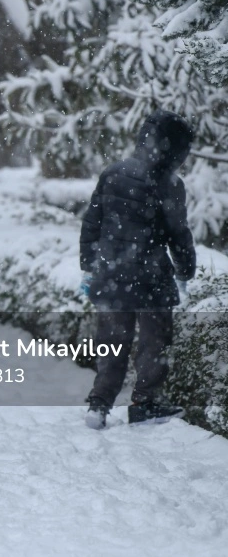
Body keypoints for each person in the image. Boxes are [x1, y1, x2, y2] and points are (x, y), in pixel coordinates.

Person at [80, 109, 197, 430]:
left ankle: (99, 405)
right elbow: (178, 233)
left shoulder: (113, 173)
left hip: (111, 275)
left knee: (112, 344)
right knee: (153, 345)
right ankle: (145, 403)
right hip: (151, 280)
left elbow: (92, 222)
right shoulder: (170, 184)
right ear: (175, 149)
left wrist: (89, 267)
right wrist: (186, 270)